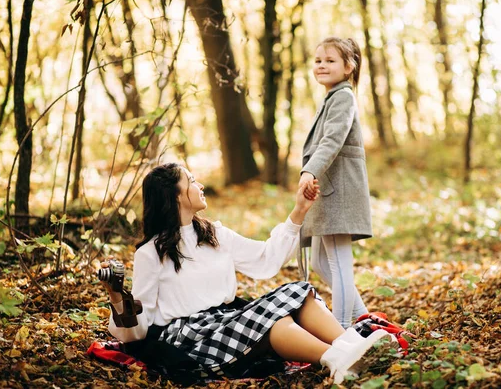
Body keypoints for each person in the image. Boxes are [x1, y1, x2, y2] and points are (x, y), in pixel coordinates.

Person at [102, 163, 391, 384]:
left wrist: (299, 211)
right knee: (271, 322)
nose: (199, 184)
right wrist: (116, 297)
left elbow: (265, 260)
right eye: (190, 181)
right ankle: (337, 360)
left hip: (229, 318)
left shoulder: (212, 233)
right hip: (191, 339)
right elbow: (137, 332)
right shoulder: (150, 254)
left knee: (296, 292)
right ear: (174, 195)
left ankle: (351, 345)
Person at [299, 37, 373, 329]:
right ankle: (367, 320)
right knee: (320, 263)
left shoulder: (343, 96)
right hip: (327, 193)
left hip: (337, 193)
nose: (321, 65)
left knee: (340, 266)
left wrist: (310, 171)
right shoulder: (332, 97)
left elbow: (333, 139)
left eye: (330, 61)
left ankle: (342, 331)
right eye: (318, 60)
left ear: (348, 67)